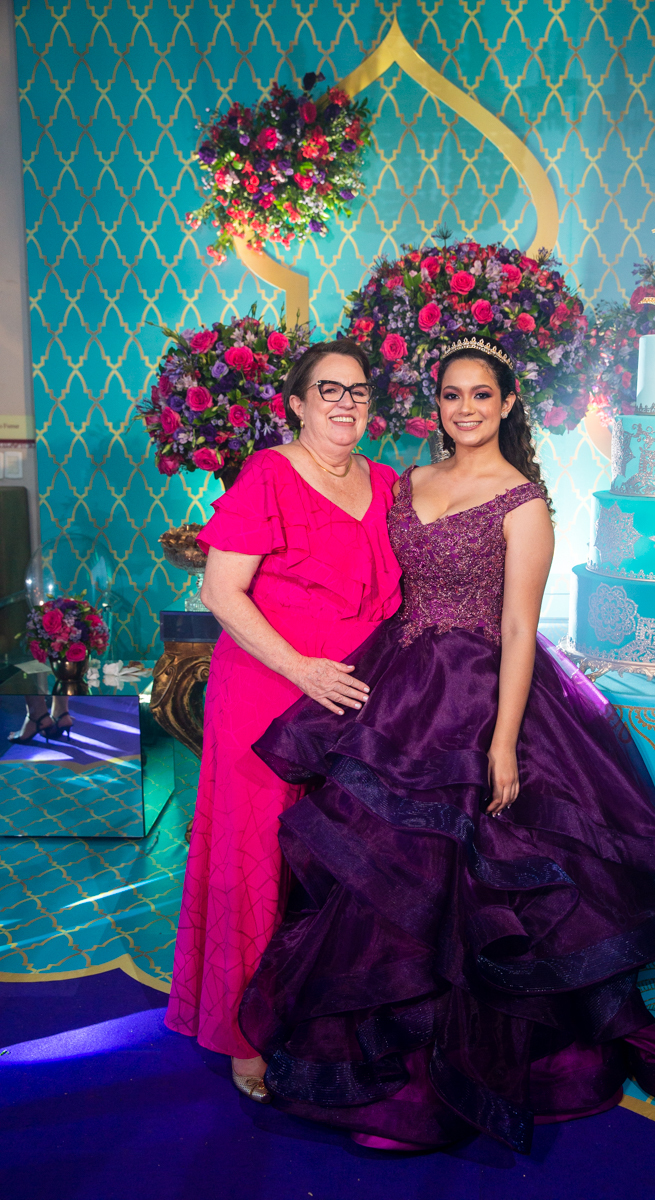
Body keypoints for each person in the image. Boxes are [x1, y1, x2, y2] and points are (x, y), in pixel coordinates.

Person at [239, 337, 655, 1152]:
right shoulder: (408, 481)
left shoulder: (523, 500)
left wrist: (503, 745)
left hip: (484, 698)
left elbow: (518, 629)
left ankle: (469, 1069)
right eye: (451, 395)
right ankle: (395, 1053)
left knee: (486, 880)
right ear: (437, 406)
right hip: (402, 687)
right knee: (392, 876)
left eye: (480, 395)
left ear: (507, 405)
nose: (464, 408)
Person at [165, 339, 402, 1102]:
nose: (345, 403)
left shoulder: (388, 483)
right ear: (296, 404)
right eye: (328, 389)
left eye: (358, 391)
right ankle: (248, 1034)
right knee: (261, 861)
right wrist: (302, 669)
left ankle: (328, 1021)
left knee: (342, 865)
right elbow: (220, 593)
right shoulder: (267, 474)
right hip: (268, 695)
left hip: (358, 702)